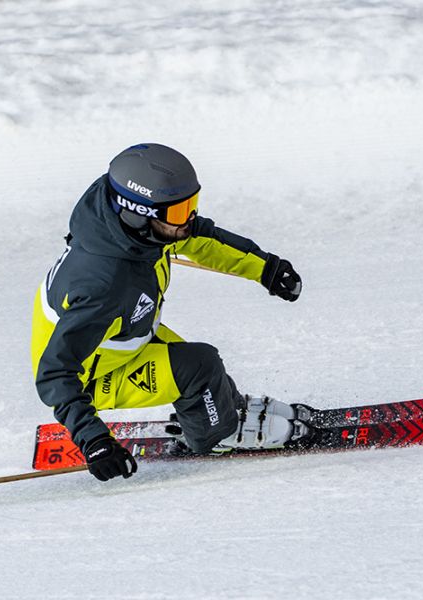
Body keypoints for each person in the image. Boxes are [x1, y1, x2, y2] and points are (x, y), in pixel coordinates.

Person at [30, 143, 305, 482]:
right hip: (90, 376)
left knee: (204, 371)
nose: (188, 219)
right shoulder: (105, 286)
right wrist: (94, 439)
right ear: (137, 213)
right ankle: (216, 434)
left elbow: (199, 237)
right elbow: (55, 373)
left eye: (190, 205)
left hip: (121, 335)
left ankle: (224, 407)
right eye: (178, 213)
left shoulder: (127, 229)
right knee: (199, 366)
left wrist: (265, 268)